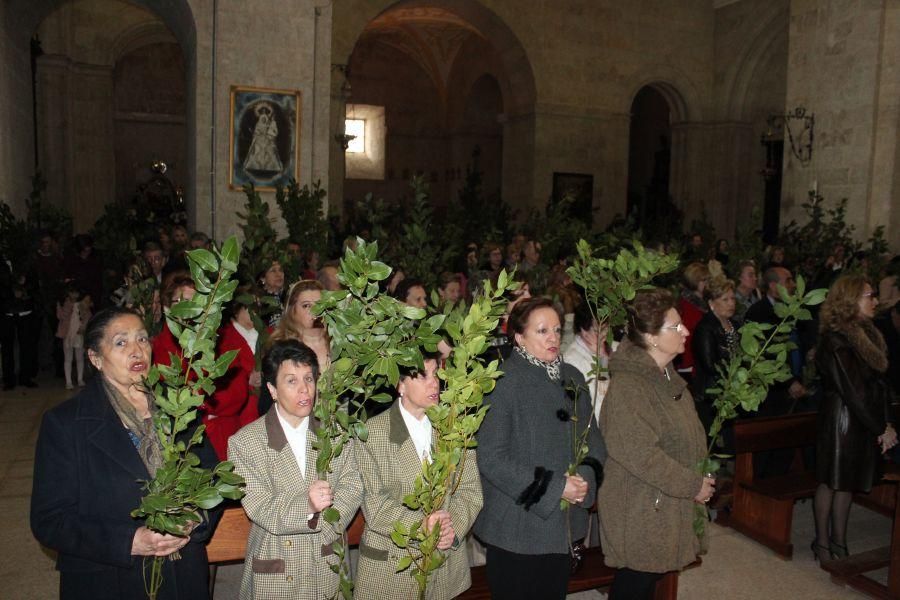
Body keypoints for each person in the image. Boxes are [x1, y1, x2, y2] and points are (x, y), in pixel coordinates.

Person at [31, 307, 217, 599]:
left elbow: (211, 477)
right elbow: (50, 521)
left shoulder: (177, 406)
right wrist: (130, 541)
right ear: (95, 358)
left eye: (142, 339)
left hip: (182, 574)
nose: (137, 350)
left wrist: (196, 517)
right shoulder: (66, 423)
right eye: (121, 342)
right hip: (110, 578)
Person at [474, 298, 605, 600]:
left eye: (558, 330)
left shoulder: (572, 377)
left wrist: (584, 479)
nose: (553, 338)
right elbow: (491, 457)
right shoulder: (501, 382)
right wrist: (556, 488)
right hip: (517, 528)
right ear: (519, 338)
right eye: (542, 331)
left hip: (563, 525)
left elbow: (593, 441)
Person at [598, 288, 712, 599]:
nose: (685, 331)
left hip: (661, 501)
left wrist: (700, 472)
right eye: (675, 327)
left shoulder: (667, 378)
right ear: (651, 337)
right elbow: (640, 455)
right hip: (639, 507)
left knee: (646, 584)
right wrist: (692, 484)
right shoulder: (629, 388)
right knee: (634, 583)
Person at [228, 339, 363, 599]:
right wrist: (308, 507)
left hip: (327, 559)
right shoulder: (245, 442)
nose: (304, 390)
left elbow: (352, 485)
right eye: (291, 381)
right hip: (278, 561)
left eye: (309, 379)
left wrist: (326, 522)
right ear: (272, 389)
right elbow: (259, 507)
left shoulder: (335, 433)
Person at [355, 352, 482, 599]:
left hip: (445, 568)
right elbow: (376, 506)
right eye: (423, 376)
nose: (434, 383)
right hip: (393, 568)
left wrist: (450, 528)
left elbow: (470, 490)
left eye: (436, 373)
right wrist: (422, 526)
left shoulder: (454, 427)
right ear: (400, 384)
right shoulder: (372, 434)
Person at [812, 275, 897, 562]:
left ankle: (839, 540)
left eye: (874, 295)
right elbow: (854, 390)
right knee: (831, 480)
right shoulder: (835, 340)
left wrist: (887, 423)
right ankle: (822, 543)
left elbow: (879, 385)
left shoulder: (868, 332)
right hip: (841, 420)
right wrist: (881, 428)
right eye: (868, 296)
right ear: (850, 301)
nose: (874, 301)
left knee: (846, 482)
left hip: (860, 418)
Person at [206, 296, 261, 460]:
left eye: (258, 309)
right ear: (237, 311)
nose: (254, 314)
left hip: (258, 406)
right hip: (239, 410)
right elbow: (227, 374)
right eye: (249, 309)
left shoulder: (266, 334)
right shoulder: (225, 336)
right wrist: (247, 379)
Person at [691, 277, 738, 435]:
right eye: (725, 299)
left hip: (733, 392)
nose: (731, 303)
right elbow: (710, 366)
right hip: (711, 396)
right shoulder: (705, 328)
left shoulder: (736, 324)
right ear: (711, 303)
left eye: (732, 298)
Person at [563, 300, 616, 424]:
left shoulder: (610, 348)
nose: (605, 334)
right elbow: (592, 405)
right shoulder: (572, 361)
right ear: (584, 331)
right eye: (599, 330)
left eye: (606, 327)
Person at [675, 262, 710, 380]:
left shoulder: (702, 303)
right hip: (689, 363)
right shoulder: (687, 305)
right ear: (694, 281)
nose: (707, 283)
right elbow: (689, 336)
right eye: (703, 280)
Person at [56, 285, 93, 390]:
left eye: (76, 293)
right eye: (72, 292)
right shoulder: (66, 303)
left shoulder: (82, 304)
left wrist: (83, 327)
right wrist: (61, 305)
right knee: (68, 358)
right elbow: (61, 316)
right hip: (67, 335)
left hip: (79, 334)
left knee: (79, 358)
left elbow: (88, 316)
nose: (74, 295)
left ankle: (80, 379)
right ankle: (68, 381)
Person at [259, 260, 285, 327]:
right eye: (273, 271)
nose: (279, 274)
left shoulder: (290, 295)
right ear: (263, 278)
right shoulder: (258, 300)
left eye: (281, 270)